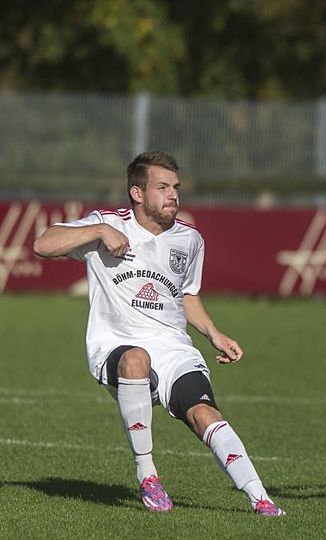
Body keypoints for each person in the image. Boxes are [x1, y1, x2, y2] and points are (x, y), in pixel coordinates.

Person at [33, 151, 285, 516]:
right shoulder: (108, 223)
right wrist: (99, 232)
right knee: (136, 360)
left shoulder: (190, 239)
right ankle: (147, 474)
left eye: (176, 187)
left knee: (205, 415)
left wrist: (213, 333)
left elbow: (187, 296)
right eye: (162, 187)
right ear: (137, 193)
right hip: (116, 345)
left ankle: (262, 500)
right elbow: (43, 244)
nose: (173, 195)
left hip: (172, 348)